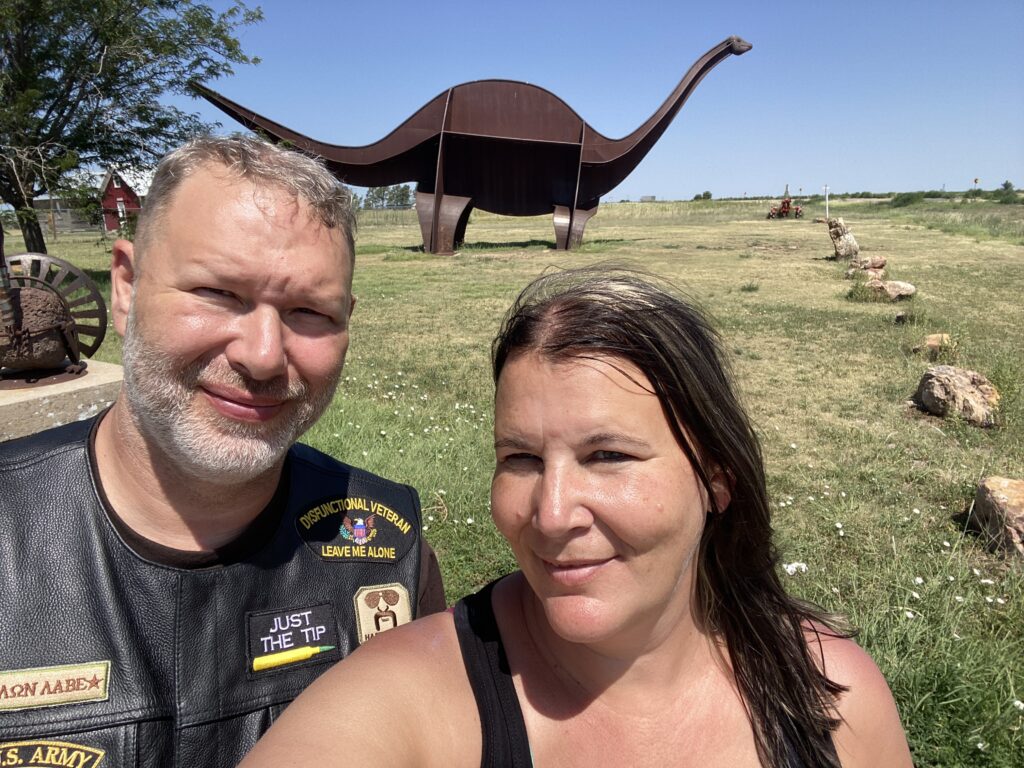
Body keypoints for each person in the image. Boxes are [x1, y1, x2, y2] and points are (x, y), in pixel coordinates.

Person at [240, 267, 913, 768]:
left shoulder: (835, 702)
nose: (552, 514)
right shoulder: (412, 702)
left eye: (608, 455)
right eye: (522, 458)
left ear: (716, 477)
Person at [0, 135, 444, 766]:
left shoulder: (390, 557)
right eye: (219, 294)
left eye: (310, 311)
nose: (263, 355)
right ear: (125, 289)